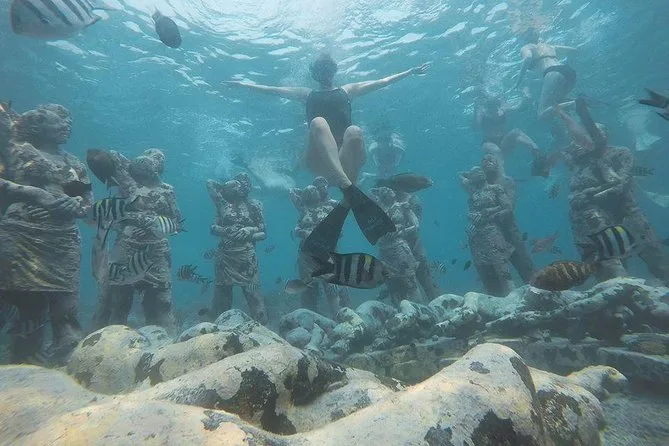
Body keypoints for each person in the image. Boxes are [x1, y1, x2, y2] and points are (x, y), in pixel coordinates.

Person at [222, 54, 428, 246]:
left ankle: (348, 192)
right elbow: (272, 89)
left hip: (346, 160)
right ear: (315, 74)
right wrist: (243, 84)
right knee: (318, 122)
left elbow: (382, 82)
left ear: (334, 71)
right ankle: (349, 187)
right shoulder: (306, 94)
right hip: (319, 161)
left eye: (328, 69)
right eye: (321, 70)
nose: (326, 74)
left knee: (355, 131)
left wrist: (410, 71)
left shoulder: (348, 90)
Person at [0, 104, 91, 364]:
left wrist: (76, 204)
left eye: (69, 119)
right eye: (60, 118)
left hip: (63, 243)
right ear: (38, 123)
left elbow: (87, 203)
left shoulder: (74, 163)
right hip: (20, 237)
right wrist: (37, 195)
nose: (67, 123)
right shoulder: (16, 149)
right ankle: (20, 364)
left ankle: (67, 365)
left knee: (66, 309)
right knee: (17, 304)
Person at [557, 105, 669, 284]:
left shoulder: (621, 153)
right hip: (596, 217)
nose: (593, 135)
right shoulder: (581, 162)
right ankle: (620, 291)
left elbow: (619, 185)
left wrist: (591, 192)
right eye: (588, 133)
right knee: (607, 260)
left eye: (597, 132)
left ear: (606, 135)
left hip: (627, 210)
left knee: (652, 249)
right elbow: (573, 183)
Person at [95, 148, 180, 334]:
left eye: (159, 159)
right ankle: (110, 340)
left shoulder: (167, 190)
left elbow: (176, 220)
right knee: (119, 297)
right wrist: (135, 165)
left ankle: (163, 339)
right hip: (127, 245)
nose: (156, 160)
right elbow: (114, 155)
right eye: (152, 157)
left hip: (157, 250)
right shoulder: (128, 183)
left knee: (161, 299)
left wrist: (159, 224)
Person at [207, 173, 267, 324]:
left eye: (245, 183)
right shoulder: (222, 204)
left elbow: (263, 233)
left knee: (254, 296)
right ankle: (218, 331)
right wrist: (226, 231)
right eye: (238, 183)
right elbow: (210, 183)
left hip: (247, 257)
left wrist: (249, 231)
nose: (241, 186)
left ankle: (262, 329)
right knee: (222, 297)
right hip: (225, 257)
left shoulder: (255, 205)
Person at [289, 177, 350, 316]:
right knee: (308, 288)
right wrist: (305, 233)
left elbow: (339, 229)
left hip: (328, 254)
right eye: (312, 190)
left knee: (333, 287)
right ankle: (309, 319)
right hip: (307, 257)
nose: (314, 191)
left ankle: (341, 316)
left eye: (316, 189)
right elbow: (291, 193)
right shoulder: (303, 209)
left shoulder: (330, 206)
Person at [460, 166, 515, 297]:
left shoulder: (495, 188)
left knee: (502, 268)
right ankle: (494, 298)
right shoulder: (473, 194)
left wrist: (490, 212)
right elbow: (459, 175)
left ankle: (513, 297)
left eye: (480, 170)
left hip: (492, 232)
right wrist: (472, 216)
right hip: (476, 237)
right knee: (485, 271)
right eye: (474, 172)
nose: (478, 172)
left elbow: (508, 207)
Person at [481, 154, 535, 284]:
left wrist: (491, 213)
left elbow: (510, 206)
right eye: (484, 161)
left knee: (524, 264)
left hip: (509, 230)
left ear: (498, 164)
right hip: (490, 234)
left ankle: (540, 289)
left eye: (491, 160)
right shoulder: (480, 185)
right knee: (495, 272)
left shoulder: (506, 181)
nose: (488, 163)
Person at [371, 186, 422, 305]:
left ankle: (418, 308)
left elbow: (416, 225)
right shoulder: (377, 211)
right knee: (391, 283)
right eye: (384, 190)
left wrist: (402, 231)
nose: (388, 190)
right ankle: (399, 309)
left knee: (409, 281)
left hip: (399, 248)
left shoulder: (402, 207)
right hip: (383, 251)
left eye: (389, 189)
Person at [515, 27, 578, 121]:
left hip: (552, 72)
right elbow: (574, 50)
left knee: (541, 114)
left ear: (525, 38)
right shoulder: (549, 46)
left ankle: (577, 103)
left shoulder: (527, 47)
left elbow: (528, 58)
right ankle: (577, 102)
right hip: (569, 71)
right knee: (559, 102)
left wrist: (518, 81)